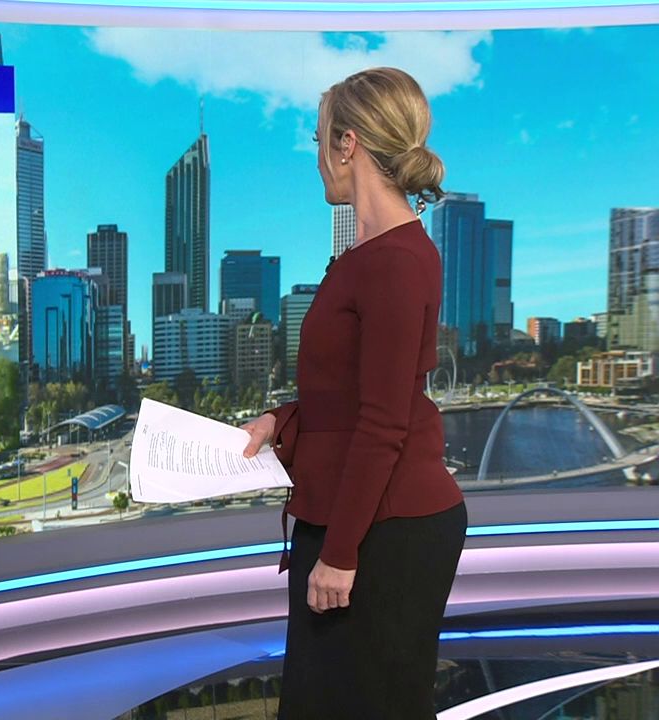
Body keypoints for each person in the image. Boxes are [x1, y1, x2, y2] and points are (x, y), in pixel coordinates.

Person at [240, 67, 468, 718]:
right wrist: (279, 420)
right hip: (351, 520)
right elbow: (350, 392)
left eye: (319, 141)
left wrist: (340, 555)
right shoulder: (365, 255)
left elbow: (384, 421)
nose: (316, 158)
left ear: (348, 144)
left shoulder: (395, 260)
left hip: (381, 534)